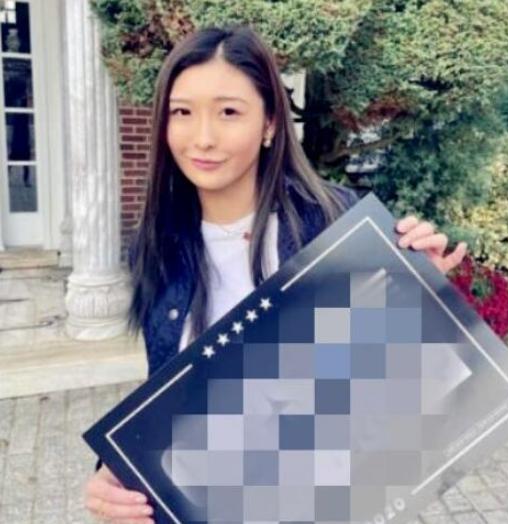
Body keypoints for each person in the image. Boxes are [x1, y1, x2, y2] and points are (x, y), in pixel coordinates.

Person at [84, 25, 468, 523]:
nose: (203, 137)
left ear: (269, 123)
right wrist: (115, 473)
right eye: (182, 112)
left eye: (228, 112)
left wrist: (422, 294)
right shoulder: (157, 246)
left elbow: (400, 382)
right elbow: (166, 391)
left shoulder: (335, 224)